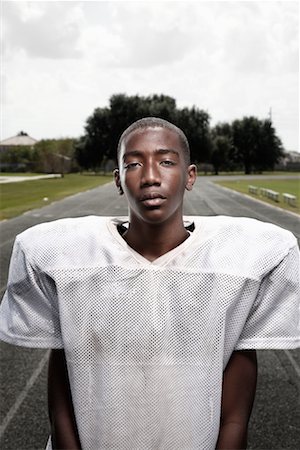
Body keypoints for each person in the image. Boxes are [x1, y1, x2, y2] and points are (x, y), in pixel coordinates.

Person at [0, 117, 299, 450]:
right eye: (133, 163)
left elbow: (235, 416)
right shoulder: (69, 265)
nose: (151, 177)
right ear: (118, 180)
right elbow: (62, 404)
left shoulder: (238, 268)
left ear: (190, 175)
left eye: (166, 161)